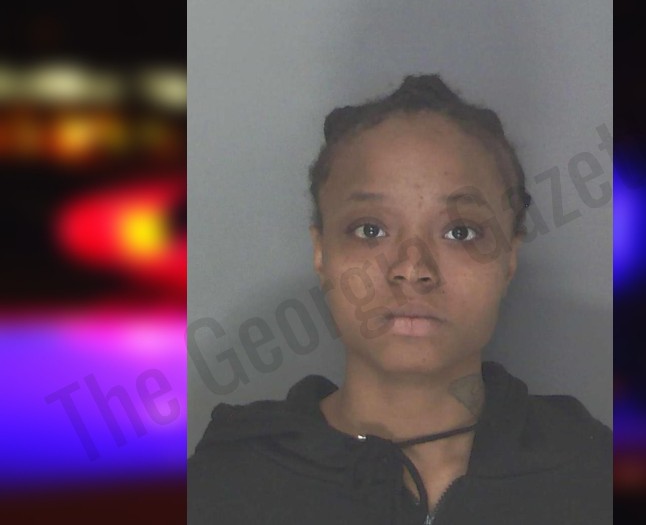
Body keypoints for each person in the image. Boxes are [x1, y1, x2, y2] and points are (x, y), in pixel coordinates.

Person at [188, 74, 611, 524]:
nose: (412, 268)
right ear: (321, 253)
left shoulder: (593, 477)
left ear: (509, 259)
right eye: (370, 229)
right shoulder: (226, 485)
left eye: (460, 232)